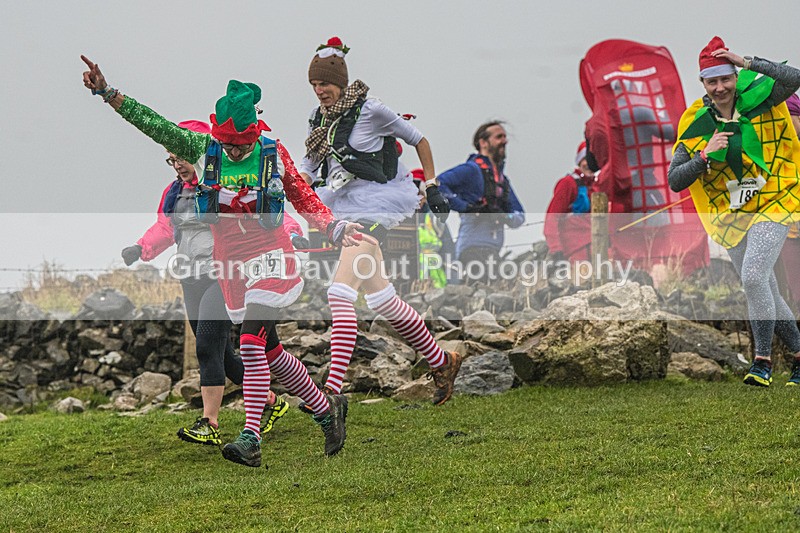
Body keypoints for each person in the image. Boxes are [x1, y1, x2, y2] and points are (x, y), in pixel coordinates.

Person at [81, 55, 365, 468]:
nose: (234, 151)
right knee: (269, 352)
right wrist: (109, 93)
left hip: (271, 255)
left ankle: (250, 438)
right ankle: (326, 410)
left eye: (242, 144)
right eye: (228, 144)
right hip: (229, 263)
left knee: (249, 342)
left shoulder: (272, 152)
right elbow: (153, 123)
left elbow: (303, 195)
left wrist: (333, 228)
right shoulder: (201, 149)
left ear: (255, 133)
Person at [297, 37, 462, 406]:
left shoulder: (371, 110)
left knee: (339, 293)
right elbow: (308, 166)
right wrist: (292, 189)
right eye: (313, 84)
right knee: (382, 299)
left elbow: (420, 140)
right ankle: (443, 361)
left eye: (324, 83)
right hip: (343, 204)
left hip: (379, 204)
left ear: (340, 82)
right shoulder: (318, 119)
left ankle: (331, 392)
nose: (319, 90)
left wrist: (432, 186)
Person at [121, 119, 306, 446]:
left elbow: (271, 214)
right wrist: (141, 247)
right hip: (190, 277)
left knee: (208, 343)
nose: (177, 164)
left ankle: (210, 422)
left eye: (181, 156)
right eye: (171, 158)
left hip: (224, 275)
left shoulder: (226, 181)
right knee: (223, 355)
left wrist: (293, 234)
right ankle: (272, 404)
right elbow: (165, 229)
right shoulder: (174, 192)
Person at [667, 37, 800, 387]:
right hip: (731, 212)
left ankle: (762, 361)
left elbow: (794, 77)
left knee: (754, 276)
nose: (721, 87)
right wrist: (703, 157)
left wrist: (748, 60)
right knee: (764, 288)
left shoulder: (761, 98)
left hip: (775, 198)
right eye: (712, 81)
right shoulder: (694, 122)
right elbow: (676, 181)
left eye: (726, 78)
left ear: (734, 76)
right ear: (703, 84)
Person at [437, 121, 525, 284]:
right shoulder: (471, 170)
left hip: (493, 250)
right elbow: (438, 185)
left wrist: (504, 216)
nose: (504, 141)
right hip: (472, 249)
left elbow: (520, 216)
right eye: (499, 137)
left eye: (505, 137)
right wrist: (466, 208)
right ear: (483, 143)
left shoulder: (502, 181)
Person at [543, 142, 596, 262]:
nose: (589, 164)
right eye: (585, 159)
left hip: (597, 249)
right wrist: (556, 249)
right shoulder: (568, 183)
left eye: (593, 159)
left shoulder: (598, 186)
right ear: (579, 162)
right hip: (574, 252)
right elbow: (552, 217)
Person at [411, 168, 452, 288]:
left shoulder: (434, 219)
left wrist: (454, 283)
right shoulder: (397, 219)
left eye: (420, 195)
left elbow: (449, 252)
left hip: (433, 282)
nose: (417, 199)